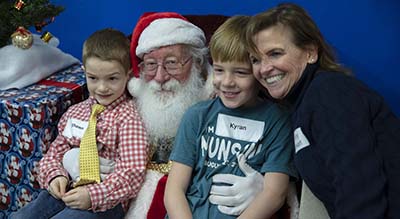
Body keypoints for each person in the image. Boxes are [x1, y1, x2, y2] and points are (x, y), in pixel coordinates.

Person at [124, 12, 297, 219]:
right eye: (219, 70)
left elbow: (274, 194)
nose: (227, 82)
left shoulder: (277, 120)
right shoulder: (197, 115)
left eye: (241, 72)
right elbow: (174, 189)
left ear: (258, 71)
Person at [240, 3, 400, 219]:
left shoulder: (328, 92)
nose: (264, 68)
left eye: (275, 53)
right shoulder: (302, 101)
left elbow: (359, 189)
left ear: (311, 53)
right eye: (255, 60)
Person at [10, 28, 149, 219]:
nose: (102, 87)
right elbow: (55, 152)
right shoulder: (76, 112)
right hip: (68, 186)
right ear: (84, 72)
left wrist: (92, 195)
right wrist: (55, 175)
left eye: (112, 78)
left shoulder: (129, 118)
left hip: (106, 200)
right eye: (93, 78)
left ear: (128, 75)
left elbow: (132, 173)